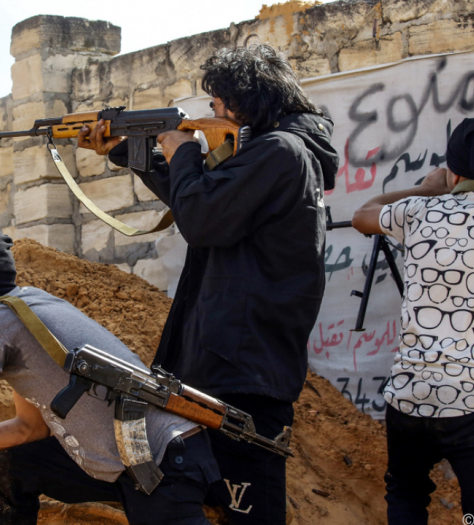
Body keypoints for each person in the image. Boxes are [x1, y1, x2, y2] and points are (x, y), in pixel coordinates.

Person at [79, 45, 339, 524]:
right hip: (238, 363)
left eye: (218, 107)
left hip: (240, 369)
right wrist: (126, 152)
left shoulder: (279, 151)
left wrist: (181, 150)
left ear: (242, 103)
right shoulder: (278, 155)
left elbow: (199, 217)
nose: (213, 115)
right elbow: (206, 201)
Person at [0, 227, 220, 525]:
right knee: (16, 467)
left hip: (160, 463)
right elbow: (28, 429)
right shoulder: (29, 305)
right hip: (143, 460)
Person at [352, 116, 474, 524]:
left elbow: (363, 214)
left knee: (406, 495)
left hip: (410, 400)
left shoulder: (417, 211)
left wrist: (426, 188)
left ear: (453, 170)